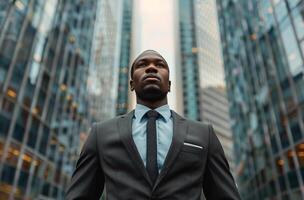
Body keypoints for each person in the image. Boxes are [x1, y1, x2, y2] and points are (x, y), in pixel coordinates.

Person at [65, 50, 241, 200]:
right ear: (132, 84)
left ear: (169, 85)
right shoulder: (101, 133)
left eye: (160, 65)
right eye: (142, 64)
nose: (151, 67)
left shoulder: (204, 134)